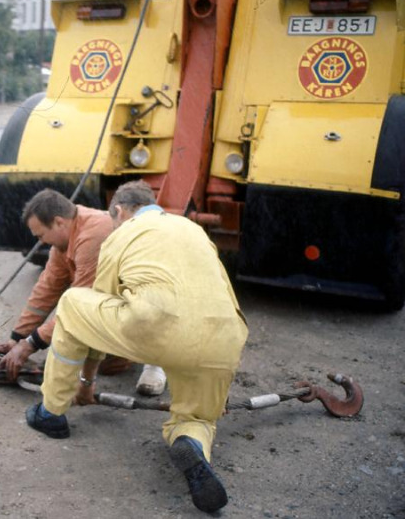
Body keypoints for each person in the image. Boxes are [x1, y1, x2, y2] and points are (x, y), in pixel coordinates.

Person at [24, 180, 248, 514]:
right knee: (198, 417)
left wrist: (87, 383)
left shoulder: (121, 235)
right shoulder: (193, 231)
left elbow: (97, 311)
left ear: (119, 211)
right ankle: (190, 443)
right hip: (224, 339)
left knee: (72, 305)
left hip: (156, 328)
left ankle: (51, 412)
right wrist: (223, 383)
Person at [0, 188, 167, 395]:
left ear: (59, 222)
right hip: (121, 303)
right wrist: (16, 339)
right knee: (85, 347)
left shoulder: (93, 236)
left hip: (150, 306)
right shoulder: (64, 240)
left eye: (41, 235)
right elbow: (46, 290)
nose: (40, 242)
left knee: (111, 365)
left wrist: (29, 345)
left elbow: (79, 307)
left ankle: (156, 360)